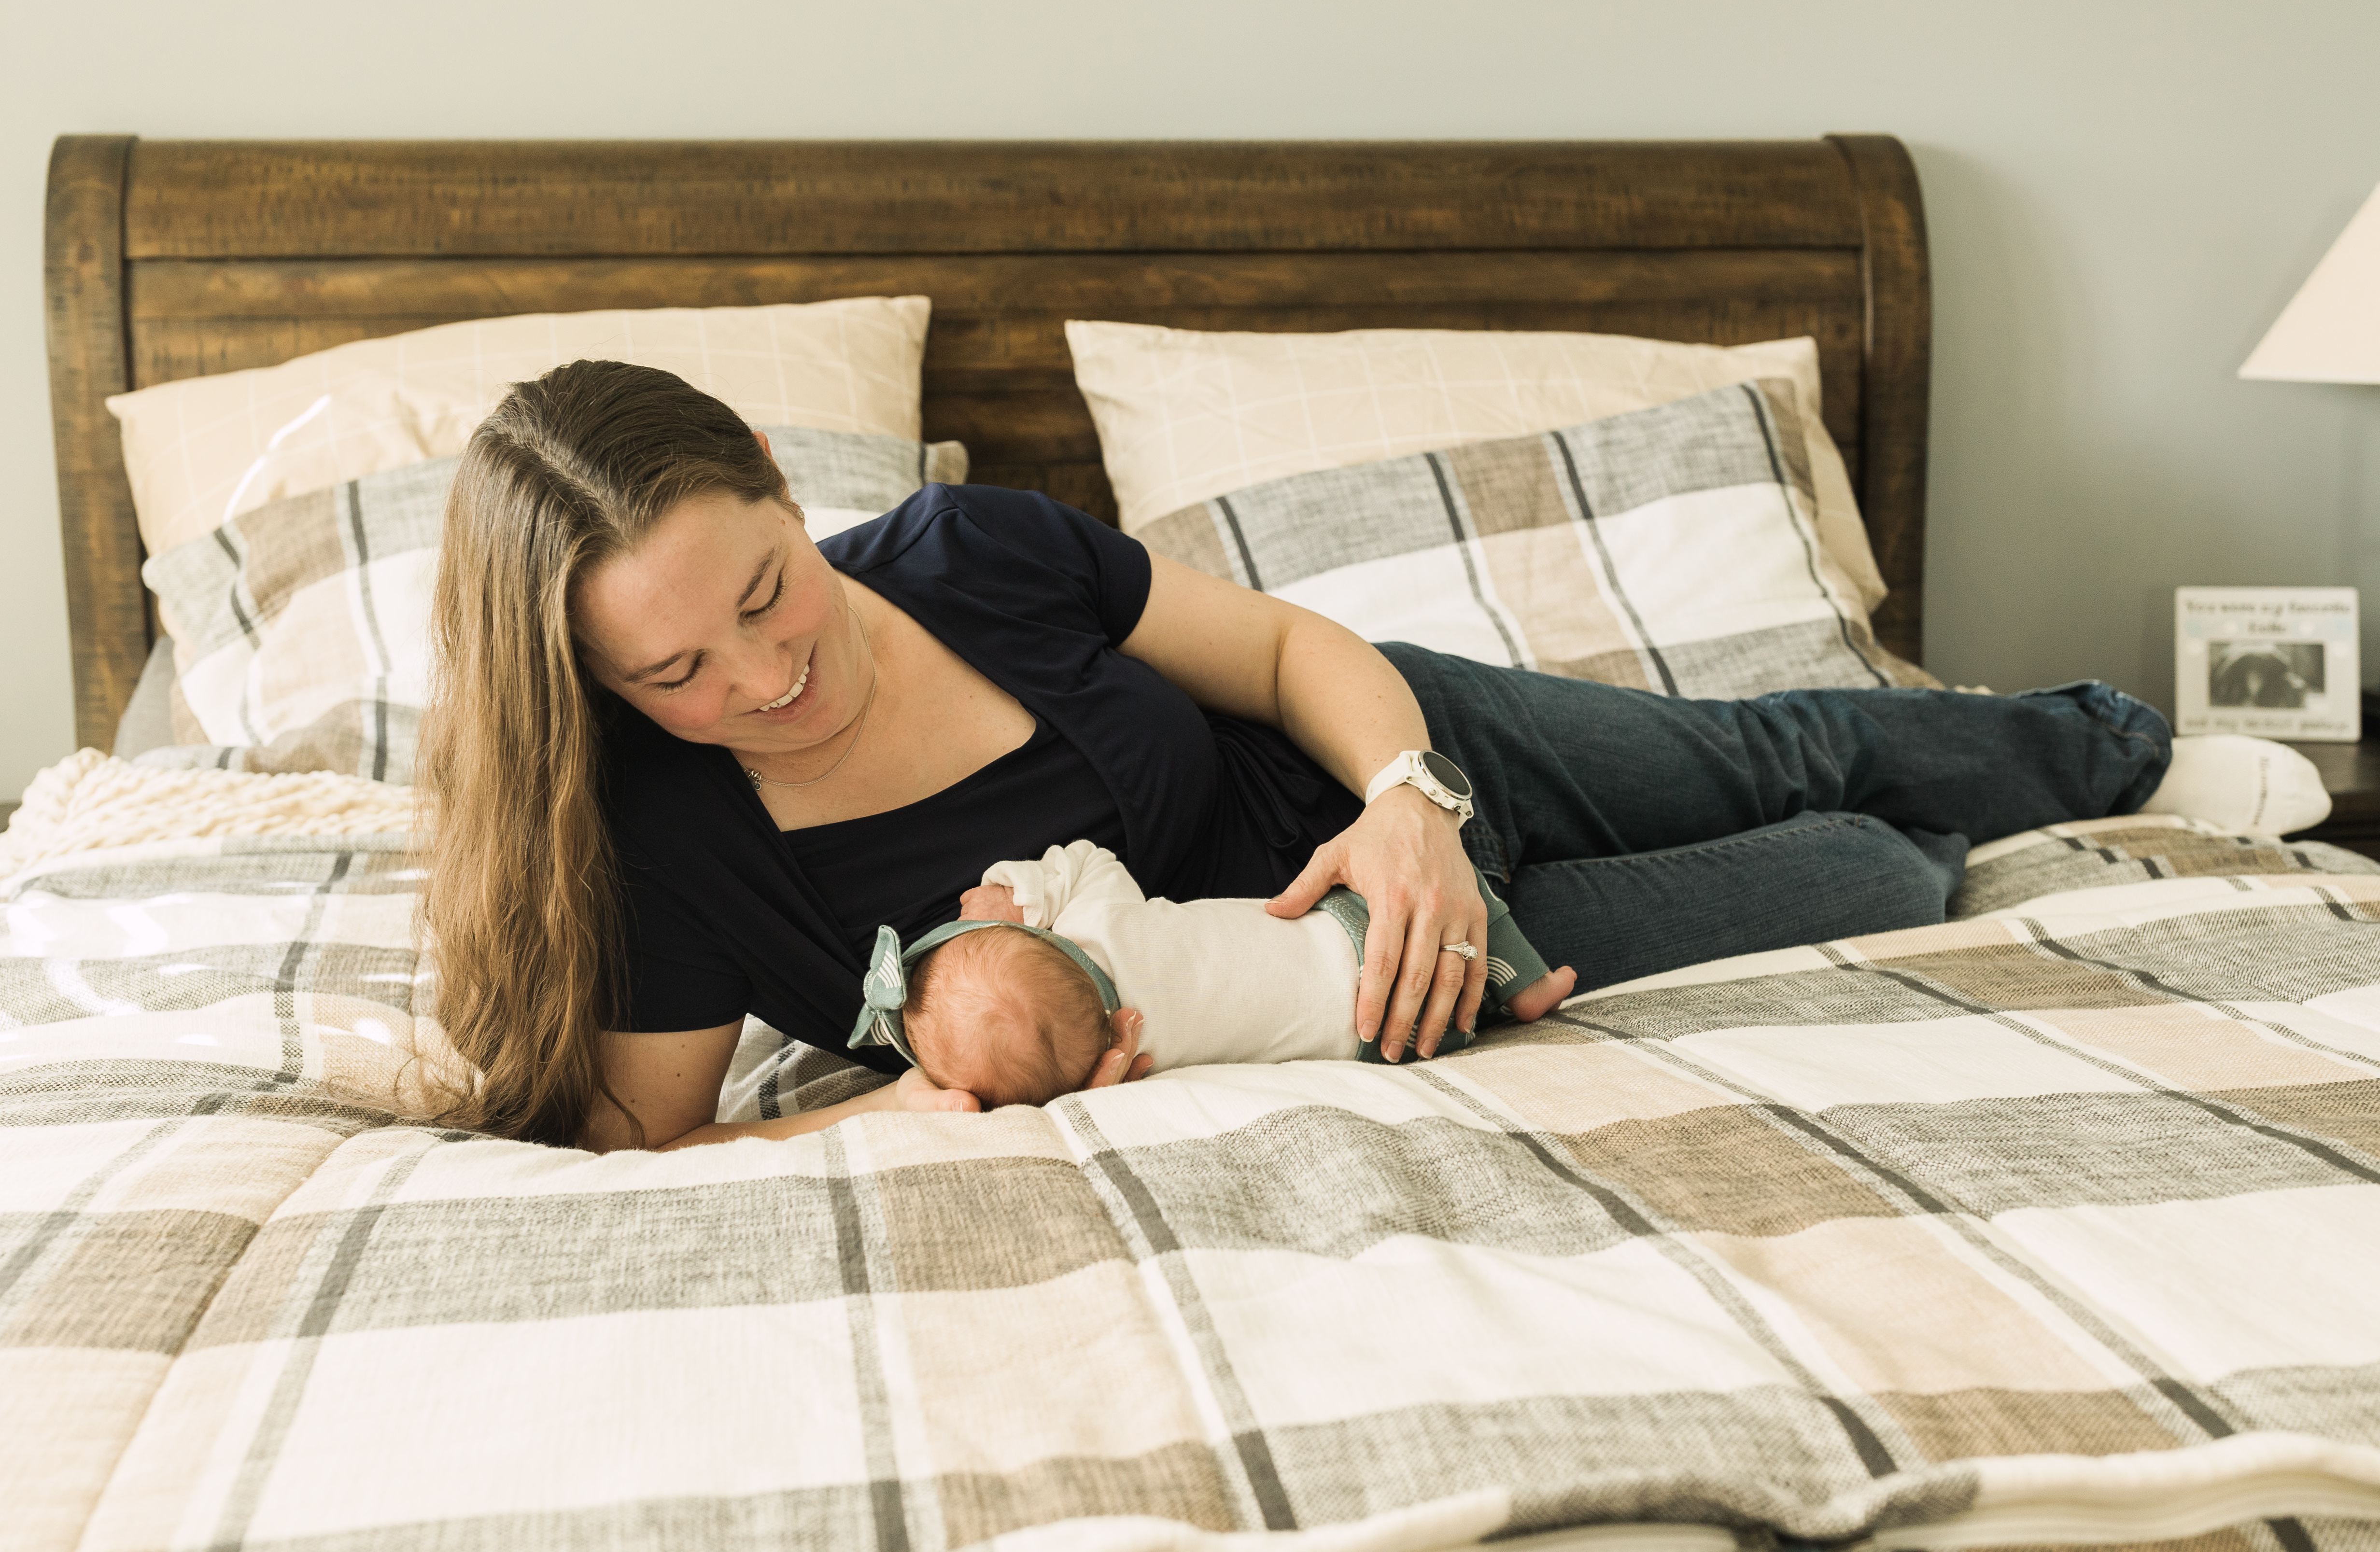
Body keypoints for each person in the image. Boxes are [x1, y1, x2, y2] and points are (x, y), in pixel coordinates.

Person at [422, 359, 2190, 1153]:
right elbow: (644, 1139)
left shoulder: (968, 555)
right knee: (1869, 873)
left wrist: (1410, 808)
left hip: (1385, 768)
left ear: (789, 497)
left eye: (767, 587)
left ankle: (2124, 750)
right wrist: (899, 1104)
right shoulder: (662, 840)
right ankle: (1959, 823)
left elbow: (1278, 647)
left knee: (1768, 744)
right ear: (581, 685)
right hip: (1344, 976)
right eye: (676, 669)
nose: (770, 671)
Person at [851, 839, 1580, 1108]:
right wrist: (1018, 889)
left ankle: (1486, 1008)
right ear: (1047, 940)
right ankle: (1528, 984)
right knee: (1468, 900)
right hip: (1354, 929)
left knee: (1451, 989)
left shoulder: (1122, 1073)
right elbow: (1086, 856)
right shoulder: (1100, 922)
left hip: (1385, 1040)